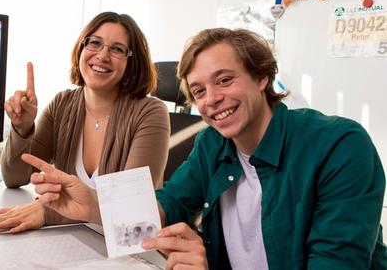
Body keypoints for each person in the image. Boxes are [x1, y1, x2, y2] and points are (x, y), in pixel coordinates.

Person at [21, 28, 386, 269]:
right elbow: (168, 205)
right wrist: (93, 205)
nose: (212, 100)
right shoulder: (213, 143)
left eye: (224, 80)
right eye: (198, 91)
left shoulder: (340, 147)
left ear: (263, 77)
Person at [0, 12, 170, 233]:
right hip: (70, 238)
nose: (103, 55)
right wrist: (22, 128)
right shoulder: (62, 104)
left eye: (117, 49)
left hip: (126, 246)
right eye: (95, 43)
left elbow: (129, 207)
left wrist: (46, 211)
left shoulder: (150, 112)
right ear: (81, 48)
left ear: (131, 62)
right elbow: (14, 178)